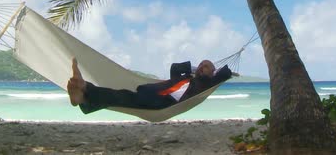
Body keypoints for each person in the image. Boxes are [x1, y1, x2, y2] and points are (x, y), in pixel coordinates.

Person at [66, 58, 238, 114]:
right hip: (150, 93)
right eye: (201, 65)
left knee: (121, 97)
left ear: (212, 72)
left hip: (164, 103)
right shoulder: (184, 76)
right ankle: (83, 98)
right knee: (119, 98)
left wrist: (216, 74)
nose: (201, 67)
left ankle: (85, 89)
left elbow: (224, 73)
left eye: (206, 66)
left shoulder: (206, 83)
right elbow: (174, 67)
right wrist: (194, 68)